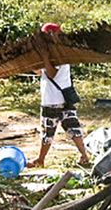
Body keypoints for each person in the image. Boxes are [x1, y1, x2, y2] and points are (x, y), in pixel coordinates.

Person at [34, 23, 91, 167]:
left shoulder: (56, 53)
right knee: (73, 127)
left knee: (48, 131)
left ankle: (40, 160)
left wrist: (45, 58)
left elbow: (52, 74)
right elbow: (41, 71)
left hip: (52, 99)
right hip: (65, 98)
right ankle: (84, 156)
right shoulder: (60, 51)